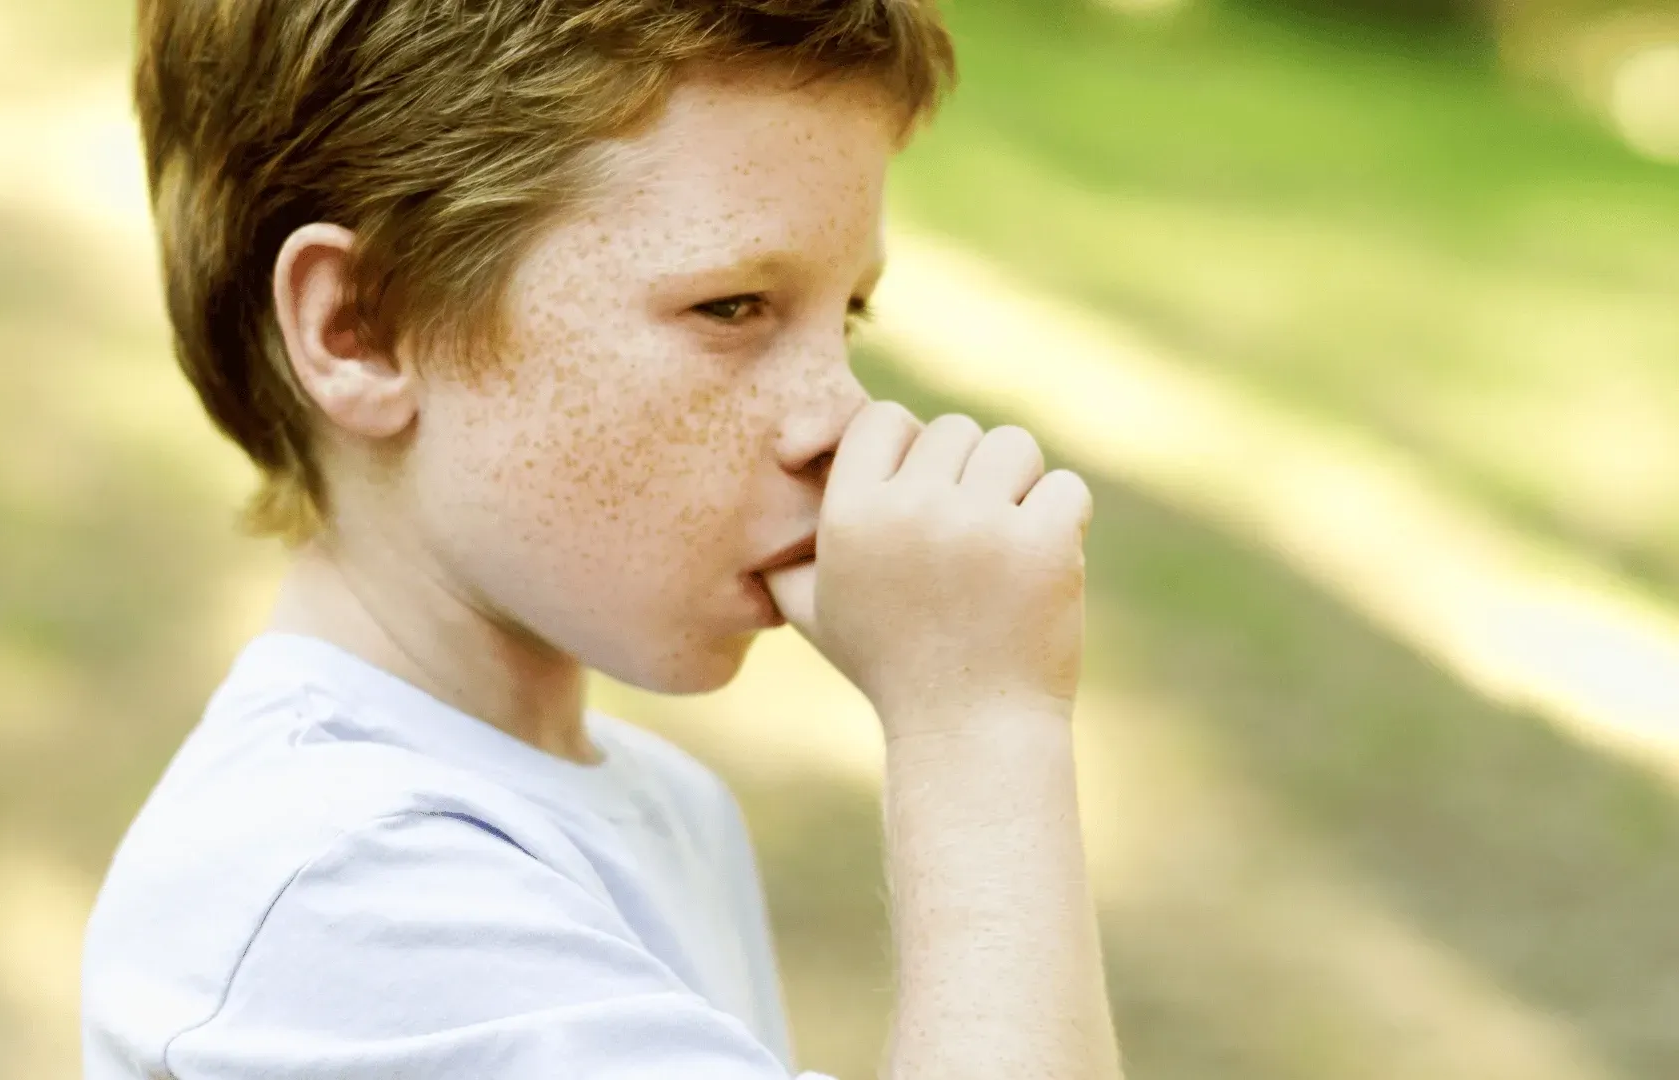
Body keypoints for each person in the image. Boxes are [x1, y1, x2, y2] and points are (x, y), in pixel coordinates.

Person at [82, 1, 1124, 1077]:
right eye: (732, 306)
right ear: (364, 327)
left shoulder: (664, 807)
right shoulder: (337, 885)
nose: (843, 421)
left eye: (846, 313)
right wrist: (980, 730)